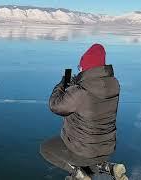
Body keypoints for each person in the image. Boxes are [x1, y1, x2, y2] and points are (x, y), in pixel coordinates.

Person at [40, 44, 128, 180]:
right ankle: (107, 167)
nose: (79, 69)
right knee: (89, 150)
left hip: (84, 149)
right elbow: (93, 87)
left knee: (47, 148)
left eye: (80, 67)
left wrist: (63, 84)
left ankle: (78, 174)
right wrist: (77, 82)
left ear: (86, 67)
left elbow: (55, 106)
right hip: (106, 147)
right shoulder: (114, 85)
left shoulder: (80, 92)